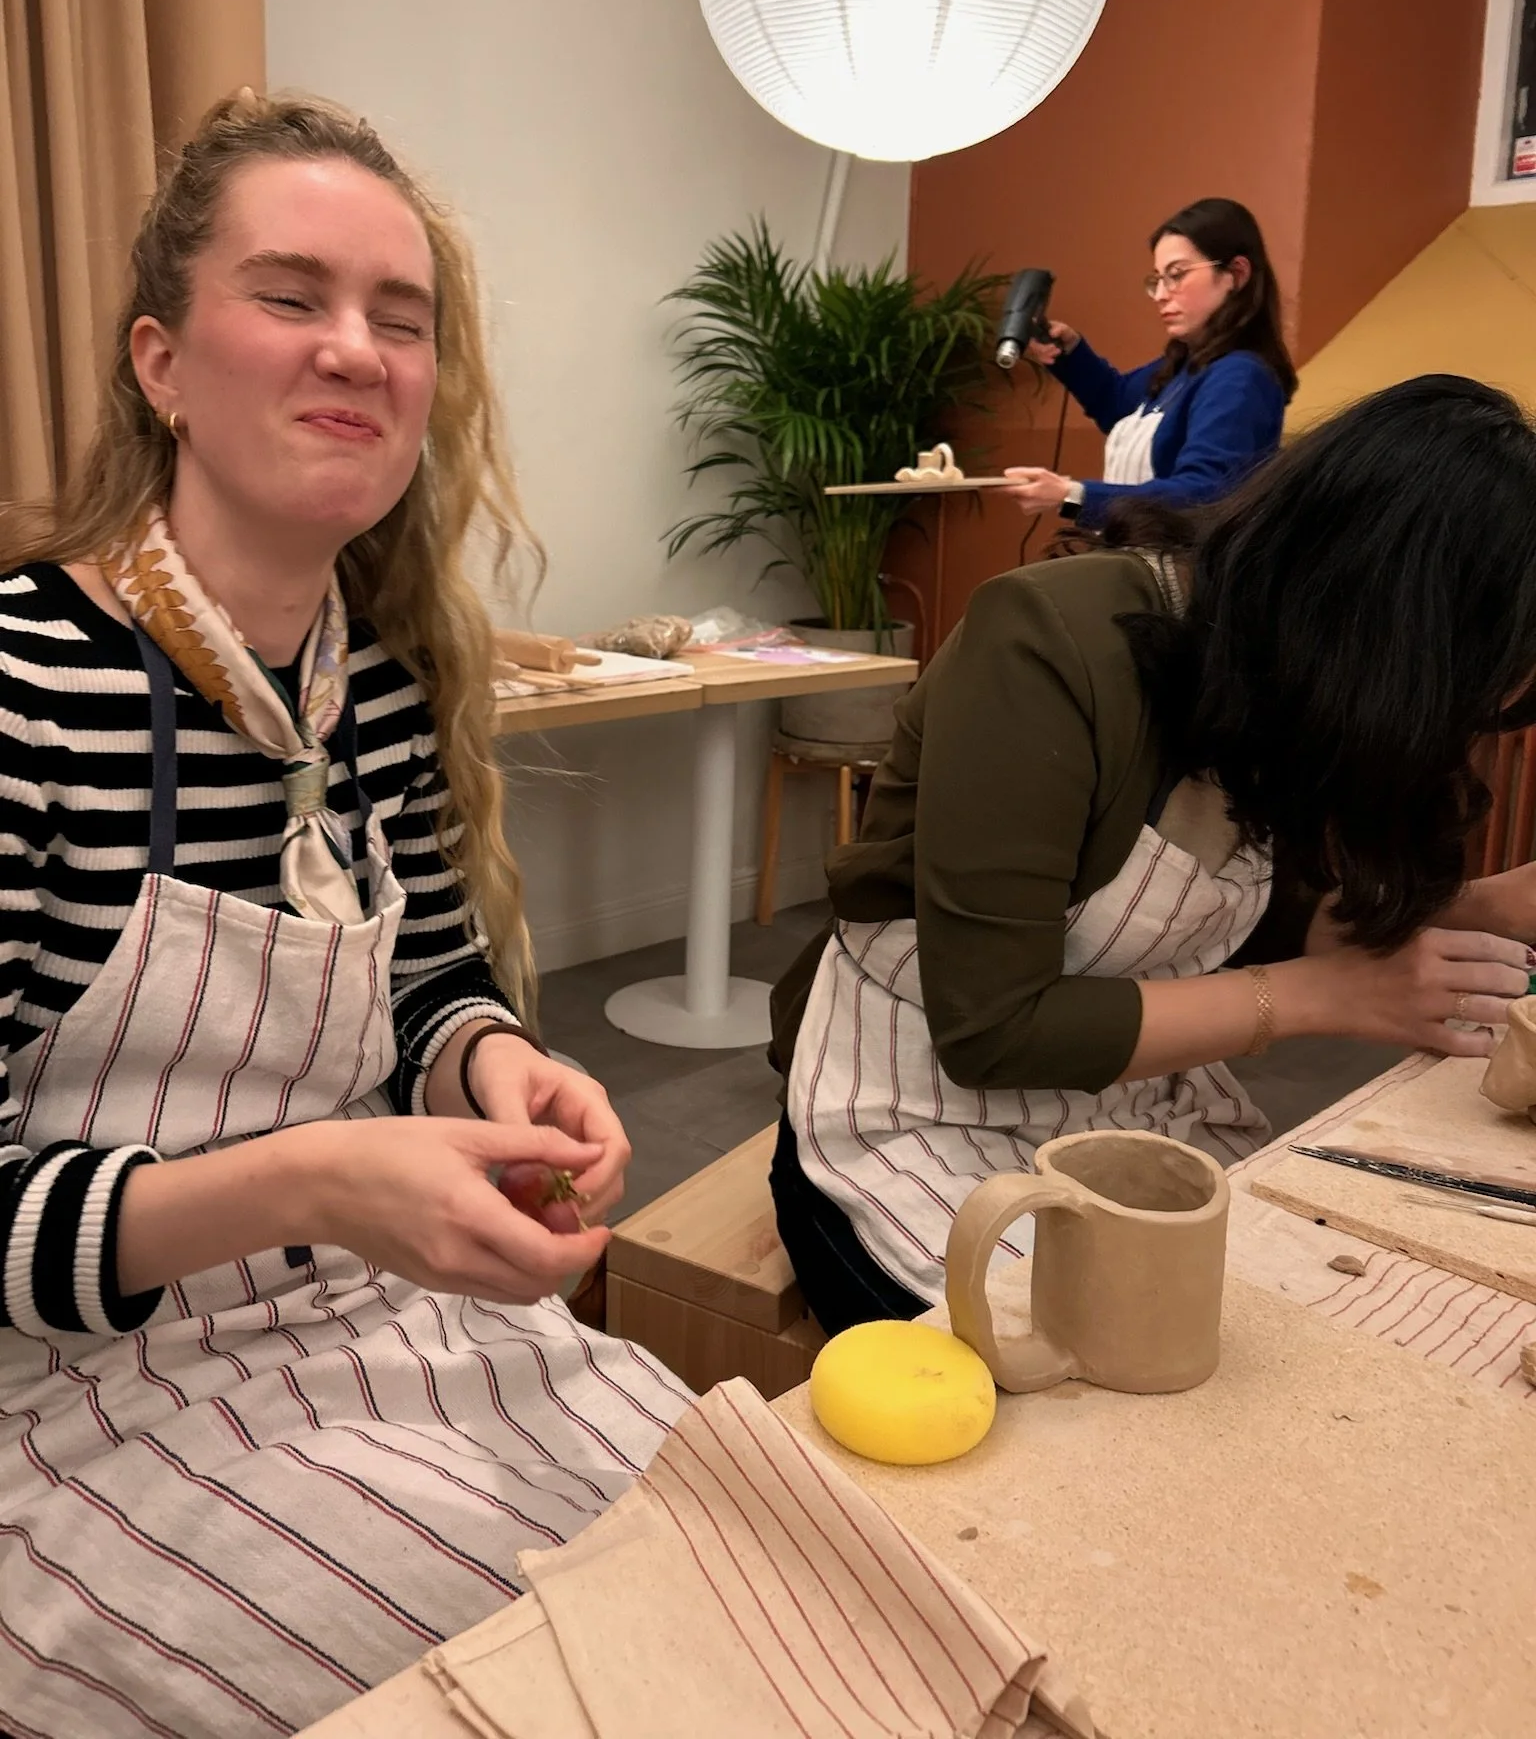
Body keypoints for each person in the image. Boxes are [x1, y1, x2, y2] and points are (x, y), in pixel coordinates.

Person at [0, 92, 690, 1739]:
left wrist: (490, 1059)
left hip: (365, 1313)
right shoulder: (25, 688)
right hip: (72, 1405)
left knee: (745, 1554)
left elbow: (432, 968)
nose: (357, 350)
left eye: (402, 319)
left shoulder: (369, 685)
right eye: (292, 295)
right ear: (161, 362)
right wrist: (316, 1174)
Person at [768, 375, 1536, 1336]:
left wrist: (1478, 908)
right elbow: (995, 1030)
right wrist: (1328, 995)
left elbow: (1247, 915)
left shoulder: (1285, 684)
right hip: (915, 1111)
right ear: (1388, 630)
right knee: (1111, 1381)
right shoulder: (1048, 643)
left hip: (1128, 1108)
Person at [998, 197, 1294, 532]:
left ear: (1236, 274)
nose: (1161, 294)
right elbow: (1119, 405)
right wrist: (1071, 352)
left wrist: (1073, 495)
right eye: (1157, 280)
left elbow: (1206, 493)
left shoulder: (1241, 377)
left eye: (1177, 275)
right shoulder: (1185, 366)